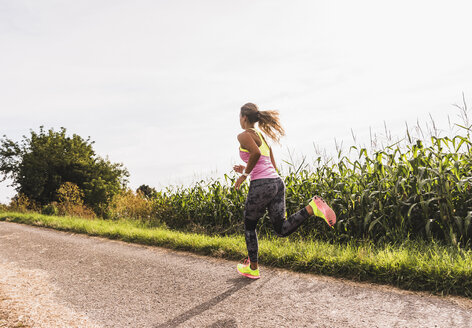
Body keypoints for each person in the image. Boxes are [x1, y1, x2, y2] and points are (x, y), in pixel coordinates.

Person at [234, 103, 336, 279]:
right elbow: (268, 163)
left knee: (250, 226)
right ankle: (311, 208)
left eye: (239, 116)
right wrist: (249, 169)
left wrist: (244, 174)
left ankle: (253, 268)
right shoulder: (262, 136)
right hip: (276, 182)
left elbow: (256, 154)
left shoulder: (243, 135)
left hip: (261, 184)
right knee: (281, 228)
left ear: (244, 117)